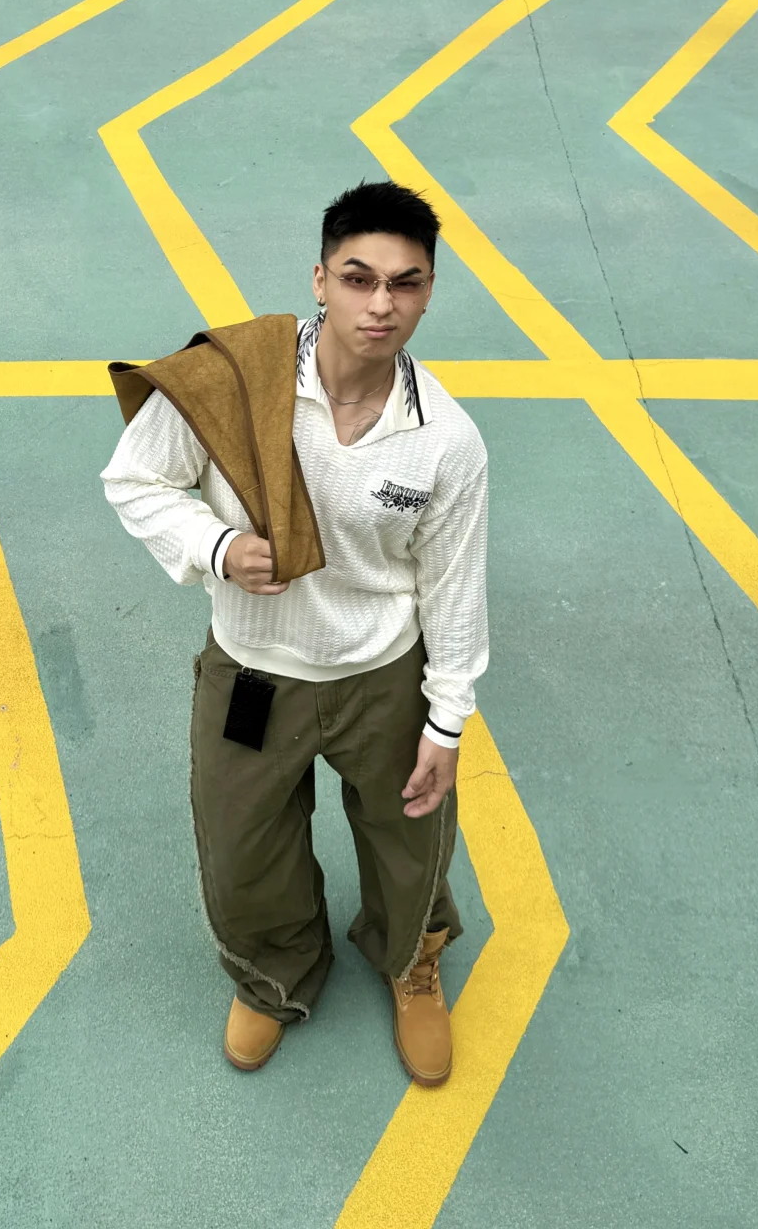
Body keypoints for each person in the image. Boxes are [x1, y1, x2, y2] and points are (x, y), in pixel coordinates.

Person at [101, 181, 488, 1086]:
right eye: (358, 278)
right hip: (252, 674)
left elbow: (455, 588)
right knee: (244, 846)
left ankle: (411, 959)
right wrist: (216, 545)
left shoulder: (447, 441)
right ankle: (274, 973)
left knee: (410, 840)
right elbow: (134, 478)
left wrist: (446, 722)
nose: (381, 304)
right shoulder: (236, 379)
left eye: (405, 283)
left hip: (381, 674)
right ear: (320, 280)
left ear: (428, 293)